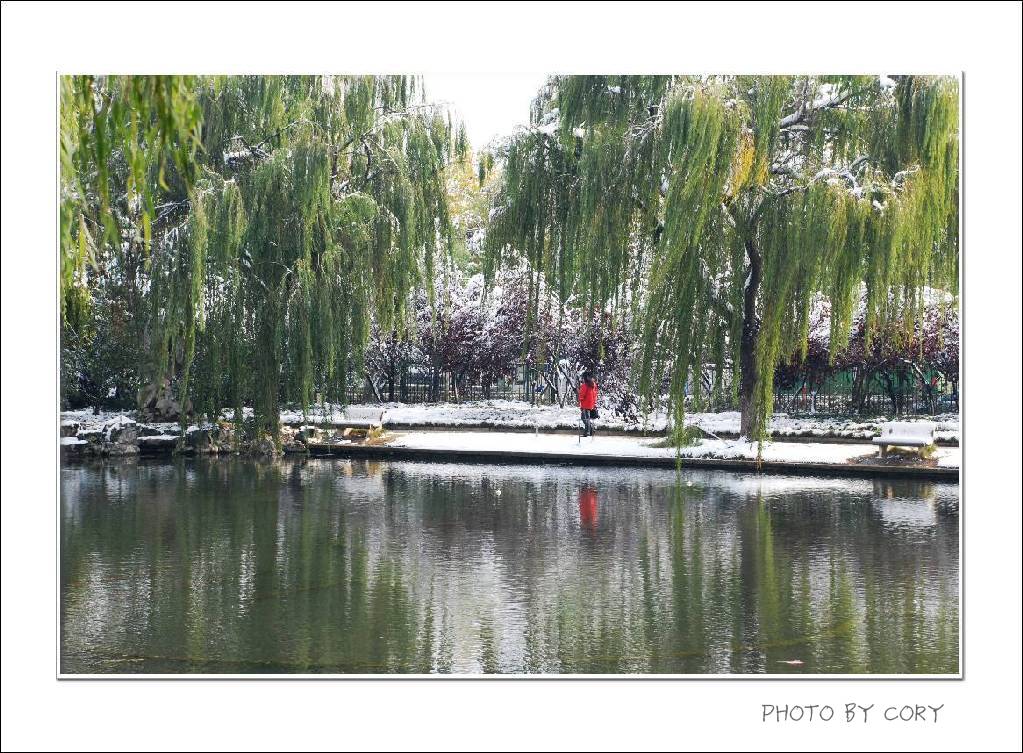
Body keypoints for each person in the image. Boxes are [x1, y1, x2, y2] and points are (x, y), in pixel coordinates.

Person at [578, 371, 599, 438]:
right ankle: (590, 431)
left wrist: (580, 399)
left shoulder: (584, 385)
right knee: (587, 418)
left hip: (585, 404)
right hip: (590, 404)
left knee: (584, 418)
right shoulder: (593, 385)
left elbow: (582, 396)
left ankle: (588, 431)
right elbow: (595, 394)